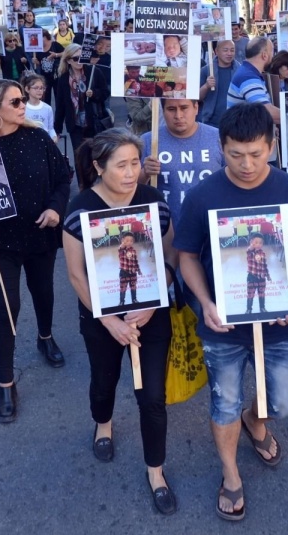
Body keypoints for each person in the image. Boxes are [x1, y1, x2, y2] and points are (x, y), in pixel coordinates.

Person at [175, 103, 288, 522]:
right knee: (223, 404)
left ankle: (254, 419)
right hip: (222, 324)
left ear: (272, 146)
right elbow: (186, 255)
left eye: (256, 154)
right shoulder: (204, 194)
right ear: (221, 147)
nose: (246, 164)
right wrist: (205, 302)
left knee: (282, 401)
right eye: (236, 154)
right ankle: (230, 474)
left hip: (277, 319)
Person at [62, 129, 177, 516]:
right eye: (121, 165)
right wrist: (110, 320)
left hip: (151, 313)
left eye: (134, 164)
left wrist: (155, 302)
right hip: (101, 316)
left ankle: (156, 471)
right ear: (98, 166)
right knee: (103, 380)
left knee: (152, 397)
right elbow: (77, 275)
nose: (131, 174)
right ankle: (103, 424)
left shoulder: (154, 201)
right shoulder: (80, 208)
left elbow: (170, 257)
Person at [0, 80, 72, 423]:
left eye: (22, 99)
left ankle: (45, 336)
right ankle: (5, 383)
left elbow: (63, 177)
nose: (23, 104)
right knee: (6, 307)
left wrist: (57, 208)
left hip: (41, 235)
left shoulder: (38, 137)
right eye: (15, 101)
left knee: (43, 293)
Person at [139, 99, 224, 225]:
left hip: (210, 224)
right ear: (163, 110)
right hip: (166, 226)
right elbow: (131, 188)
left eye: (184, 108)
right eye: (171, 109)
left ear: (196, 108)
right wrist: (145, 173)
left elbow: (233, 178)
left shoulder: (218, 137)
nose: (178, 116)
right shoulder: (148, 141)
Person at [55, 44, 104, 154]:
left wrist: (94, 94)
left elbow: (105, 93)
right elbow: (60, 105)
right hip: (75, 126)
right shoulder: (63, 79)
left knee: (96, 157)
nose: (79, 61)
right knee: (79, 160)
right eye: (76, 58)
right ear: (68, 61)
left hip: (93, 123)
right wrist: (57, 129)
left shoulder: (93, 72)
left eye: (82, 57)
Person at [227, 37, 281, 124]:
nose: (273, 55)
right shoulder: (248, 77)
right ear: (264, 55)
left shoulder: (247, 72)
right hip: (242, 135)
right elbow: (266, 111)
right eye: (272, 52)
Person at [198, 40, 239, 127]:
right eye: (225, 50)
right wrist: (206, 86)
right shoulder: (206, 71)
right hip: (211, 122)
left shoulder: (240, 71)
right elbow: (197, 98)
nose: (229, 53)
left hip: (236, 121)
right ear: (216, 51)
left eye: (232, 50)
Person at [22, 73, 57, 142]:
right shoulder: (23, 108)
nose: (40, 90)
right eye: (36, 88)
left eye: (41, 88)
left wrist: (54, 137)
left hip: (44, 142)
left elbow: (50, 129)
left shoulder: (47, 108)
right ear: (27, 89)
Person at [34, 29, 63, 106]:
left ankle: (59, 115)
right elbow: (40, 63)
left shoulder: (54, 44)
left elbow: (66, 53)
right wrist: (36, 62)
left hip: (56, 76)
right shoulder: (37, 48)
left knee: (59, 97)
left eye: (41, 37)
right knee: (46, 98)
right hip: (45, 77)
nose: (39, 40)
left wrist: (56, 55)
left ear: (46, 37)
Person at [244, 232, 270, 314]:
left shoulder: (263, 253)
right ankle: (249, 309)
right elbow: (248, 249)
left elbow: (264, 265)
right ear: (251, 242)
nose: (258, 244)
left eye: (260, 243)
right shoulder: (250, 252)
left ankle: (262, 308)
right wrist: (251, 246)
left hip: (262, 278)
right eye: (256, 242)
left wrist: (267, 275)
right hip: (252, 277)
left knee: (261, 293)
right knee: (250, 294)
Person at [117, 231, 142, 307]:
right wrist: (122, 245)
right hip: (124, 273)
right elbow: (120, 248)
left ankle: (134, 299)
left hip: (133, 273)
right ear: (123, 241)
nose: (129, 242)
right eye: (127, 240)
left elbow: (135, 261)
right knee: (123, 288)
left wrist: (138, 270)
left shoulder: (133, 251)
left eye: (131, 241)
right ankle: (122, 301)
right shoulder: (122, 250)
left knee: (133, 287)